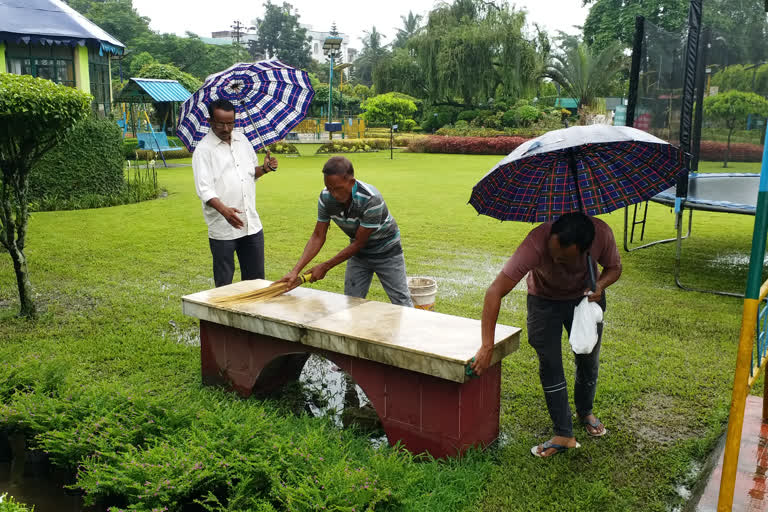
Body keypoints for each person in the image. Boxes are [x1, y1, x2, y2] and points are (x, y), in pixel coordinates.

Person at [470, 212, 622, 458]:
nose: (554, 260)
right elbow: (495, 291)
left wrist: (601, 284)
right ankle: (564, 433)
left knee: (587, 359)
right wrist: (487, 345)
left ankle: (585, 411)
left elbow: (615, 267)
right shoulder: (537, 241)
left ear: (585, 251)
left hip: (584, 301)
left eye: (563, 259)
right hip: (543, 302)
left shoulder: (601, 234)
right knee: (550, 362)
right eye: (552, 253)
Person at [278, 156, 412, 307]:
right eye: (330, 188)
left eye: (338, 188)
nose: (334, 194)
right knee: (352, 301)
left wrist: (325, 266)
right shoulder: (326, 197)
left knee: (401, 301)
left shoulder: (371, 199)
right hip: (359, 255)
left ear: (352, 182)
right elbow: (318, 236)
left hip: (387, 251)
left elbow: (360, 242)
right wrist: (295, 270)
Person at [192, 98, 279, 287]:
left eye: (230, 123)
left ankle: (252, 315)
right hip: (223, 228)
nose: (226, 128)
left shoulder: (243, 140)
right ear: (210, 121)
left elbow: (248, 174)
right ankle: (223, 317)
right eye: (220, 123)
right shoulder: (203, 151)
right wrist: (225, 212)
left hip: (251, 224)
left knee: (256, 281)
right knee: (224, 284)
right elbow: (204, 190)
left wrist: (264, 169)